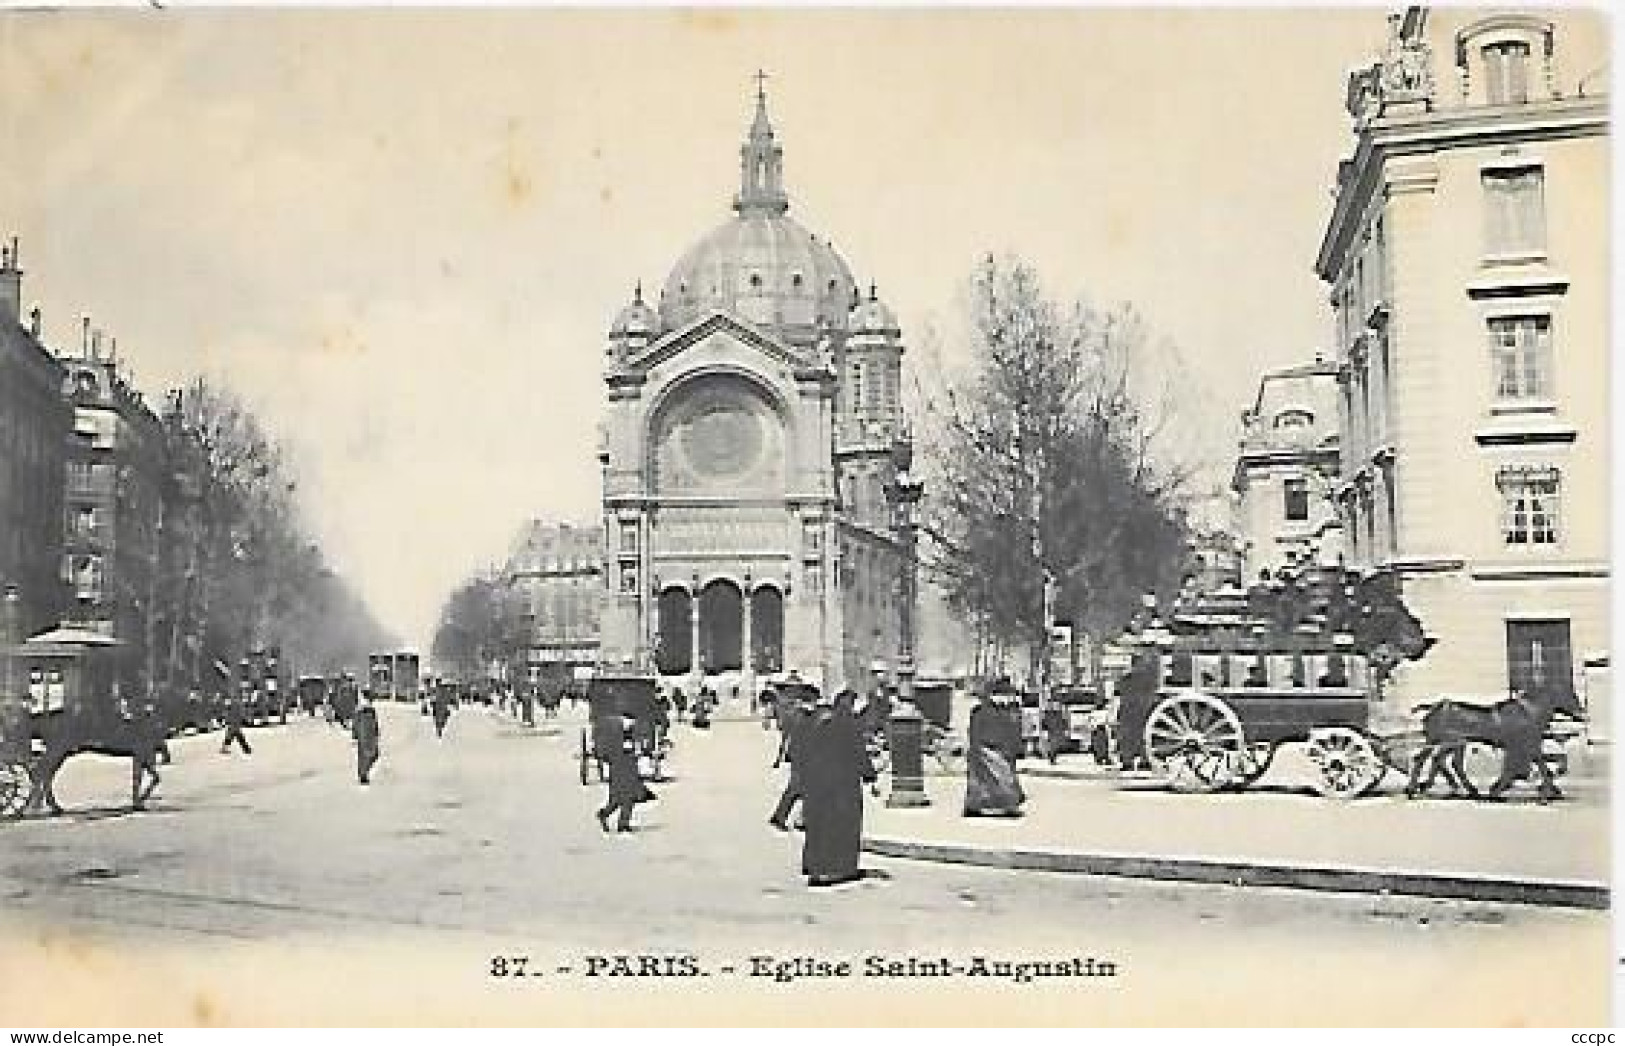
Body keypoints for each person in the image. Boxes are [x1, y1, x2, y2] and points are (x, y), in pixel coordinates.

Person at [798, 689, 876, 887]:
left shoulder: (818, 721)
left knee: (820, 825)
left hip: (816, 782)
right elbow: (858, 752)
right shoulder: (849, 724)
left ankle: (815, 866)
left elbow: (803, 751)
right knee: (844, 826)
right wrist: (869, 774)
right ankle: (841, 869)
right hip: (843, 785)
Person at [964, 691, 1026, 817]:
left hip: (991, 748)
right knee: (990, 777)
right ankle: (980, 804)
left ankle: (980, 804)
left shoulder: (982, 712)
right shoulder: (983, 712)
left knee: (995, 776)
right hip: (987, 748)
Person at [596, 712, 656, 833]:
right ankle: (618, 821)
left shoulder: (626, 731)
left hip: (625, 768)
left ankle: (614, 819)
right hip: (623, 767)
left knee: (621, 798)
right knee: (623, 798)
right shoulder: (616, 731)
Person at [768, 689, 814, 831]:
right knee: (801, 788)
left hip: (801, 755)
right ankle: (782, 817)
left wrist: (780, 757)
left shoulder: (793, 716)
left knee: (803, 788)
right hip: (803, 756)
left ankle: (800, 819)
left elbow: (785, 738)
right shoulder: (803, 718)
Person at [352, 696, 381, 785]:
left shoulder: (370, 711)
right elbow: (356, 724)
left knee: (372, 755)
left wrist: (376, 732)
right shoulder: (361, 711)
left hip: (368, 735)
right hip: (364, 735)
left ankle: (363, 773)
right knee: (366, 756)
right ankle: (363, 775)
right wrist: (355, 735)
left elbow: (374, 722)